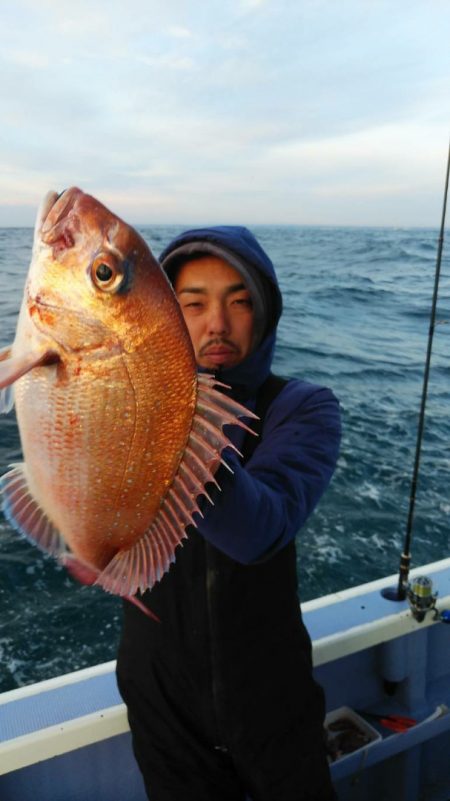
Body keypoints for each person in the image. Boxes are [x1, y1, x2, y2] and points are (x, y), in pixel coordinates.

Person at [116, 225, 341, 801]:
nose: (217, 322)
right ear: (163, 316)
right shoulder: (128, 403)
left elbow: (258, 530)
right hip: (160, 697)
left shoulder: (301, 407)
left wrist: (172, 419)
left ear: (265, 312)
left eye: (239, 301)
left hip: (271, 696)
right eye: (191, 304)